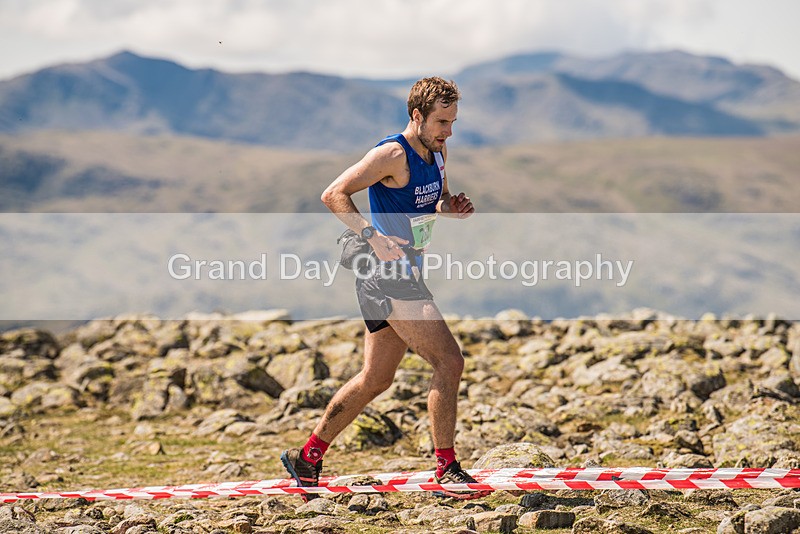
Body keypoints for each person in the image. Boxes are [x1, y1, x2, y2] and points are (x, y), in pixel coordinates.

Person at [281, 77, 490, 500]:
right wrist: (370, 234)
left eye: (452, 122)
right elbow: (333, 193)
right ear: (417, 116)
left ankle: (307, 456)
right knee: (449, 362)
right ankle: (446, 468)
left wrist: (453, 208)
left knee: (376, 379)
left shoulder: (438, 152)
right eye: (441, 122)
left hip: (404, 272)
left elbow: (434, 201)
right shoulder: (391, 154)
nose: (448, 131)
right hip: (386, 275)